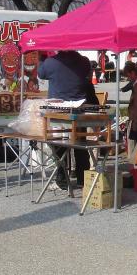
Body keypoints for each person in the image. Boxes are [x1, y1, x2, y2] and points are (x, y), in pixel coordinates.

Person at [37, 49, 95, 187]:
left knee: (58, 143)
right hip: (79, 109)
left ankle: (62, 178)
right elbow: (86, 74)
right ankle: (83, 178)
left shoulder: (51, 62)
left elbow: (40, 73)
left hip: (58, 110)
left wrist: (41, 58)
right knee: (80, 142)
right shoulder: (84, 61)